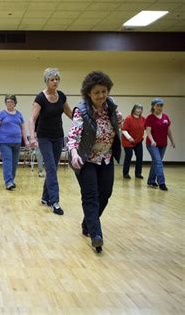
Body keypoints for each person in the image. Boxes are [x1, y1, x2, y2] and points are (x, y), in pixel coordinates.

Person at [67, 71, 122, 253]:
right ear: (88, 93)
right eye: (97, 92)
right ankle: (96, 235)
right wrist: (74, 154)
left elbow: (117, 124)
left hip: (106, 158)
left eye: (104, 91)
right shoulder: (81, 110)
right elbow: (73, 135)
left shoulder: (112, 107)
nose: (101, 96)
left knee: (105, 194)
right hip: (86, 159)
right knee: (90, 196)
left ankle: (87, 224)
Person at [29, 68, 72, 215]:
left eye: (57, 79)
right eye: (52, 79)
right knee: (51, 168)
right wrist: (32, 138)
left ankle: (45, 197)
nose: (55, 82)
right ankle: (55, 201)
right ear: (46, 81)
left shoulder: (61, 96)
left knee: (53, 168)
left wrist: (83, 121)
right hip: (44, 137)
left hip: (58, 137)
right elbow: (32, 119)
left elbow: (70, 113)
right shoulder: (40, 98)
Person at [0, 94, 29, 190]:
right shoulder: (2, 114)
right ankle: (8, 182)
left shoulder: (19, 114)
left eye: (11, 102)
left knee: (14, 162)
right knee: (8, 161)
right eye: (7, 102)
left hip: (17, 142)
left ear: (15, 103)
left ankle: (11, 180)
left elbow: (23, 128)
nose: (9, 104)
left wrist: (26, 141)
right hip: (4, 142)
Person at [145, 98, 175, 191]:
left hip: (163, 144)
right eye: (157, 105)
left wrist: (172, 141)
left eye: (161, 105)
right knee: (158, 162)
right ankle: (162, 183)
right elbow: (148, 132)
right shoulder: (150, 118)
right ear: (153, 106)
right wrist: (152, 141)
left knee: (156, 162)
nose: (159, 107)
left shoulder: (165, 117)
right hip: (152, 144)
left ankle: (151, 181)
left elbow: (168, 130)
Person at [121, 104, 145, 179]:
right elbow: (123, 130)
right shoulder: (128, 118)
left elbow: (145, 128)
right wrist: (129, 138)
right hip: (128, 141)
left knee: (140, 157)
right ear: (134, 109)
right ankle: (125, 173)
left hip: (138, 141)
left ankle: (138, 173)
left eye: (140, 109)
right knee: (129, 156)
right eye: (137, 109)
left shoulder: (143, 119)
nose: (139, 110)